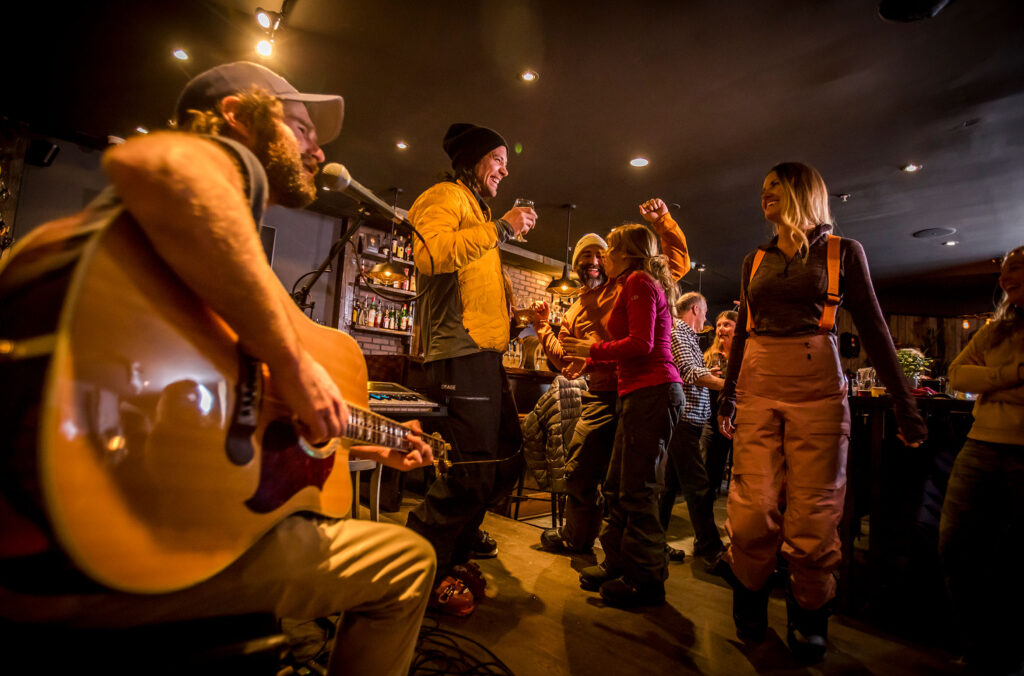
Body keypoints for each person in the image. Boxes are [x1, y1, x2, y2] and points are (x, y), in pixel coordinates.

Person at [0, 62, 437, 676]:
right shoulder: (218, 165)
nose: (318, 150)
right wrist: (290, 363)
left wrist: (368, 445)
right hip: (95, 552)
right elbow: (155, 164)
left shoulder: (213, 278)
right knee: (411, 563)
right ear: (236, 115)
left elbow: (248, 421)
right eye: (302, 128)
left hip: (45, 555)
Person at [717, 162, 927, 661]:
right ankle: (749, 600)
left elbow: (875, 329)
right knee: (750, 509)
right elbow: (743, 331)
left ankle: (809, 613)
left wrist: (903, 403)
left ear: (802, 192)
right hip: (759, 384)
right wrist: (728, 393)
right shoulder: (753, 261)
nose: (764, 194)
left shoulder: (843, 253)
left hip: (818, 390)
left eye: (775, 187)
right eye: (763, 187)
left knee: (815, 511)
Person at [405, 122, 535, 616]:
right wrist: (501, 227)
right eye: (498, 158)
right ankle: (424, 570)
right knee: (470, 471)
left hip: (484, 354)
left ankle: (453, 556)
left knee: (505, 458)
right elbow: (431, 254)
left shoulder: (475, 211)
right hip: (456, 354)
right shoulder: (444, 196)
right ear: (474, 160)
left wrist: (519, 322)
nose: (505, 168)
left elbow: (474, 290)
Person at [533, 201, 690, 555]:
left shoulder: (630, 282)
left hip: (642, 390)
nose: (593, 262)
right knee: (581, 470)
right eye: (585, 257)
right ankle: (580, 537)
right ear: (577, 265)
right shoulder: (575, 307)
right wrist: (543, 327)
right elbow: (566, 361)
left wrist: (663, 222)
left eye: (599, 254)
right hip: (604, 394)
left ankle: (635, 553)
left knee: (634, 482)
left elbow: (675, 263)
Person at [562, 220, 685, 608]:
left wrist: (591, 350)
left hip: (653, 390)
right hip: (638, 392)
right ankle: (617, 564)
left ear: (626, 253)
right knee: (617, 486)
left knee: (638, 491)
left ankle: (645, 581)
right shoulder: (638, 281)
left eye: (610, 250)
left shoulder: (637, 282)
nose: (605, 258)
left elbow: (641, 343)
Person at [939, 244, 1023, 676]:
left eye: (1017, 270)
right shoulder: (995, 330)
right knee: (957, 547)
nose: (1008, 278)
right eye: (1005, 272)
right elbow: (957, 375)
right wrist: (1010, 376)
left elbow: (973, 379)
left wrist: (989, 384)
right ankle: (980, 648)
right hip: (982, 444)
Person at [659, 292, 726, 570]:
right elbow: (689, 372)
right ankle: (712, 549)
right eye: (706, 312)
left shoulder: (687, 336)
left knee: (668, 488)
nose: (707, 319)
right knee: (698, 487)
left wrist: (706, 370)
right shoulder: (680, 332)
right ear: (695, 309)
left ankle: (653, 543)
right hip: (683, 421)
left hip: (686, 421)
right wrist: (732, 387)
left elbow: (690, 370)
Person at [701, 310, 738, 498]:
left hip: (738, 416)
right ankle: (708, 497)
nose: (721, 329)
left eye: (727, 325)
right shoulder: (710, 355)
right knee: (710, 460)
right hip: (712, 415)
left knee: (739, 462)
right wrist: (708, 378)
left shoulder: (743, 356)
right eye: (719, 325)